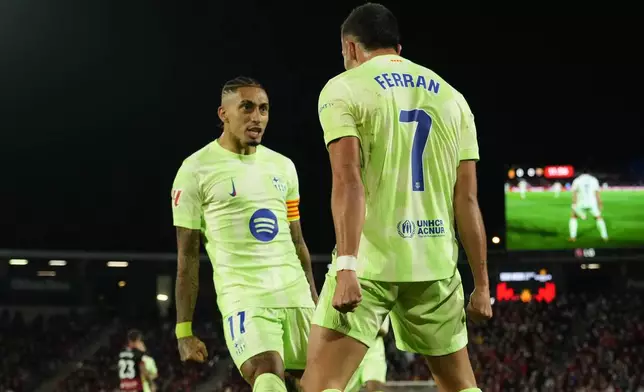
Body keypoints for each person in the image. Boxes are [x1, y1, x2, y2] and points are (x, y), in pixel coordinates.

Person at [301, 4, 492, 392]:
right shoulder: (454, 99)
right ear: (398, 48)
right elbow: (467, 200)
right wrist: (483, 285)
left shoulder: (343, 88)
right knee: (460, 386)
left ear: (350, 48)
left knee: (320, 386)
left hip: (370, 264)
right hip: (434, 265)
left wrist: (348, 267)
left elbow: (347, 180)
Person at [171, 76, 318, 392]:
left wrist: (315, 301)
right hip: (246, 299)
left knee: (316, 385)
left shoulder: (283, 167)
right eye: (247, 107)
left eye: (264, 109)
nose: (257, 117)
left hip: (297, 298)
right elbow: (187, 258)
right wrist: (184, 330)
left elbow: (297, 241)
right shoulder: (195, 170)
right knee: (267, 371)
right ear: (223, 113)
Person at [345, 316, 390, 392]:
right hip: (351, 350)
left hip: (374, 351)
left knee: (375, 388)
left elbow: (383, 329)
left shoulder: (381, 304)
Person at [569, 170, 608, 242]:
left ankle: (572, 237)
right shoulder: (594, 180)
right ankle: (605, 237)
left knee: (573, 217)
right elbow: (597, 192)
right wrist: (600, 202)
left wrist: (574, 203)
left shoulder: (577, 180)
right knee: (598, 218)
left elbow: (574, 193)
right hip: (592, 203)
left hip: (580, 202)